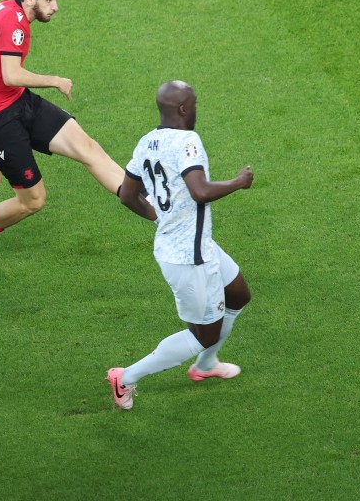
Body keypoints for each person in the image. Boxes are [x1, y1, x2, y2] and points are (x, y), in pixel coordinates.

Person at [0, 0, 126, 246]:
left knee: (88, 147)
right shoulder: (14, 22)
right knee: (32, 201)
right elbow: (11, 75)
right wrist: (56, 80)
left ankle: (140, 197)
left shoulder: (4, 8)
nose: (55, 7)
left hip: (21, 102)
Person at [107, 80, 254, 410]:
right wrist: (238, 182)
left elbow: (127, 195)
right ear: (184, 109)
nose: (197, 108)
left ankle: (205, 366)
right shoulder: (188, 141)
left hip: (197, 244)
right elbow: (199, 191)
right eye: (195, 103)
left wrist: (159, 217)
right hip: (189, 259)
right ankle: (125, 377)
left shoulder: (147, 142)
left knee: (239, 295)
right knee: (203, 334)